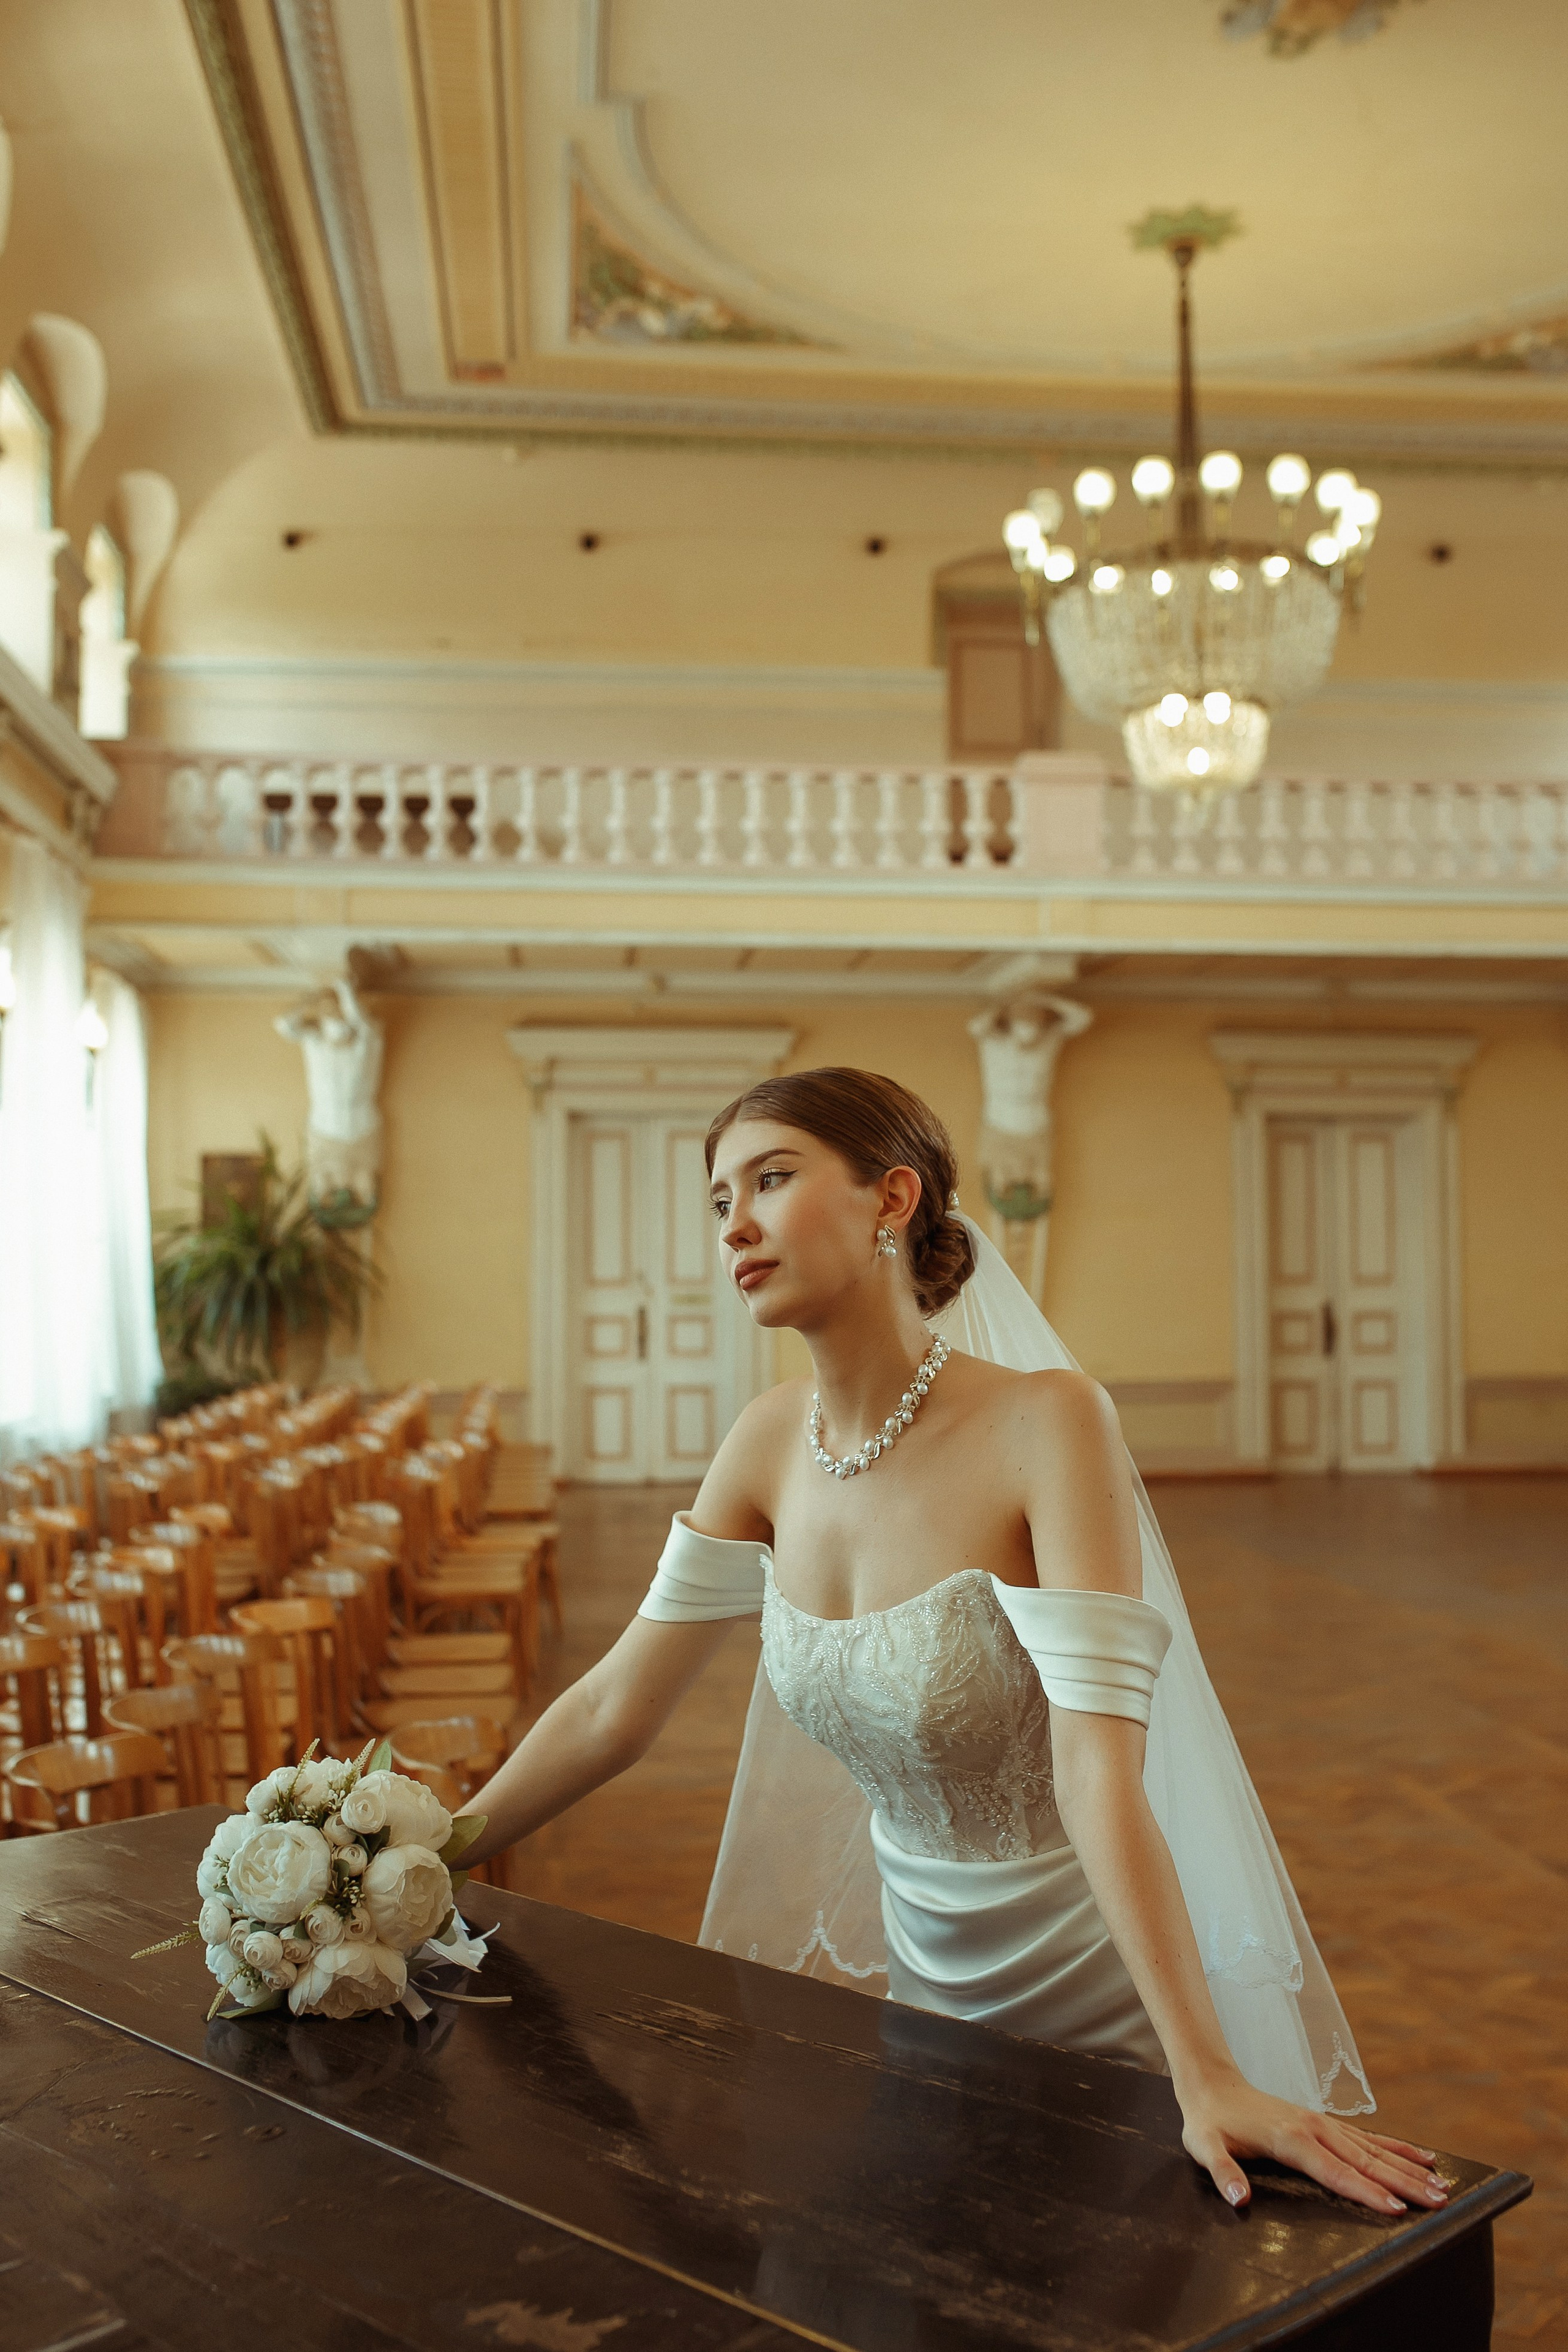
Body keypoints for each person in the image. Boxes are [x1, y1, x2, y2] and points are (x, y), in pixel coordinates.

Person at [459, 1066, 1447, 2218]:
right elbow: (612, 1707)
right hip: (922, 1987)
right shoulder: (767, 1441)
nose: (734, 1223)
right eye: (719, 1196)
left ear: (893, 1198)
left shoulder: (1048, 1420)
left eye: (772, 1179)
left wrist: (1206, 2069)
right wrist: (424, 1854)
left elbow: (1096, 1768)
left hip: (1099, 1986)